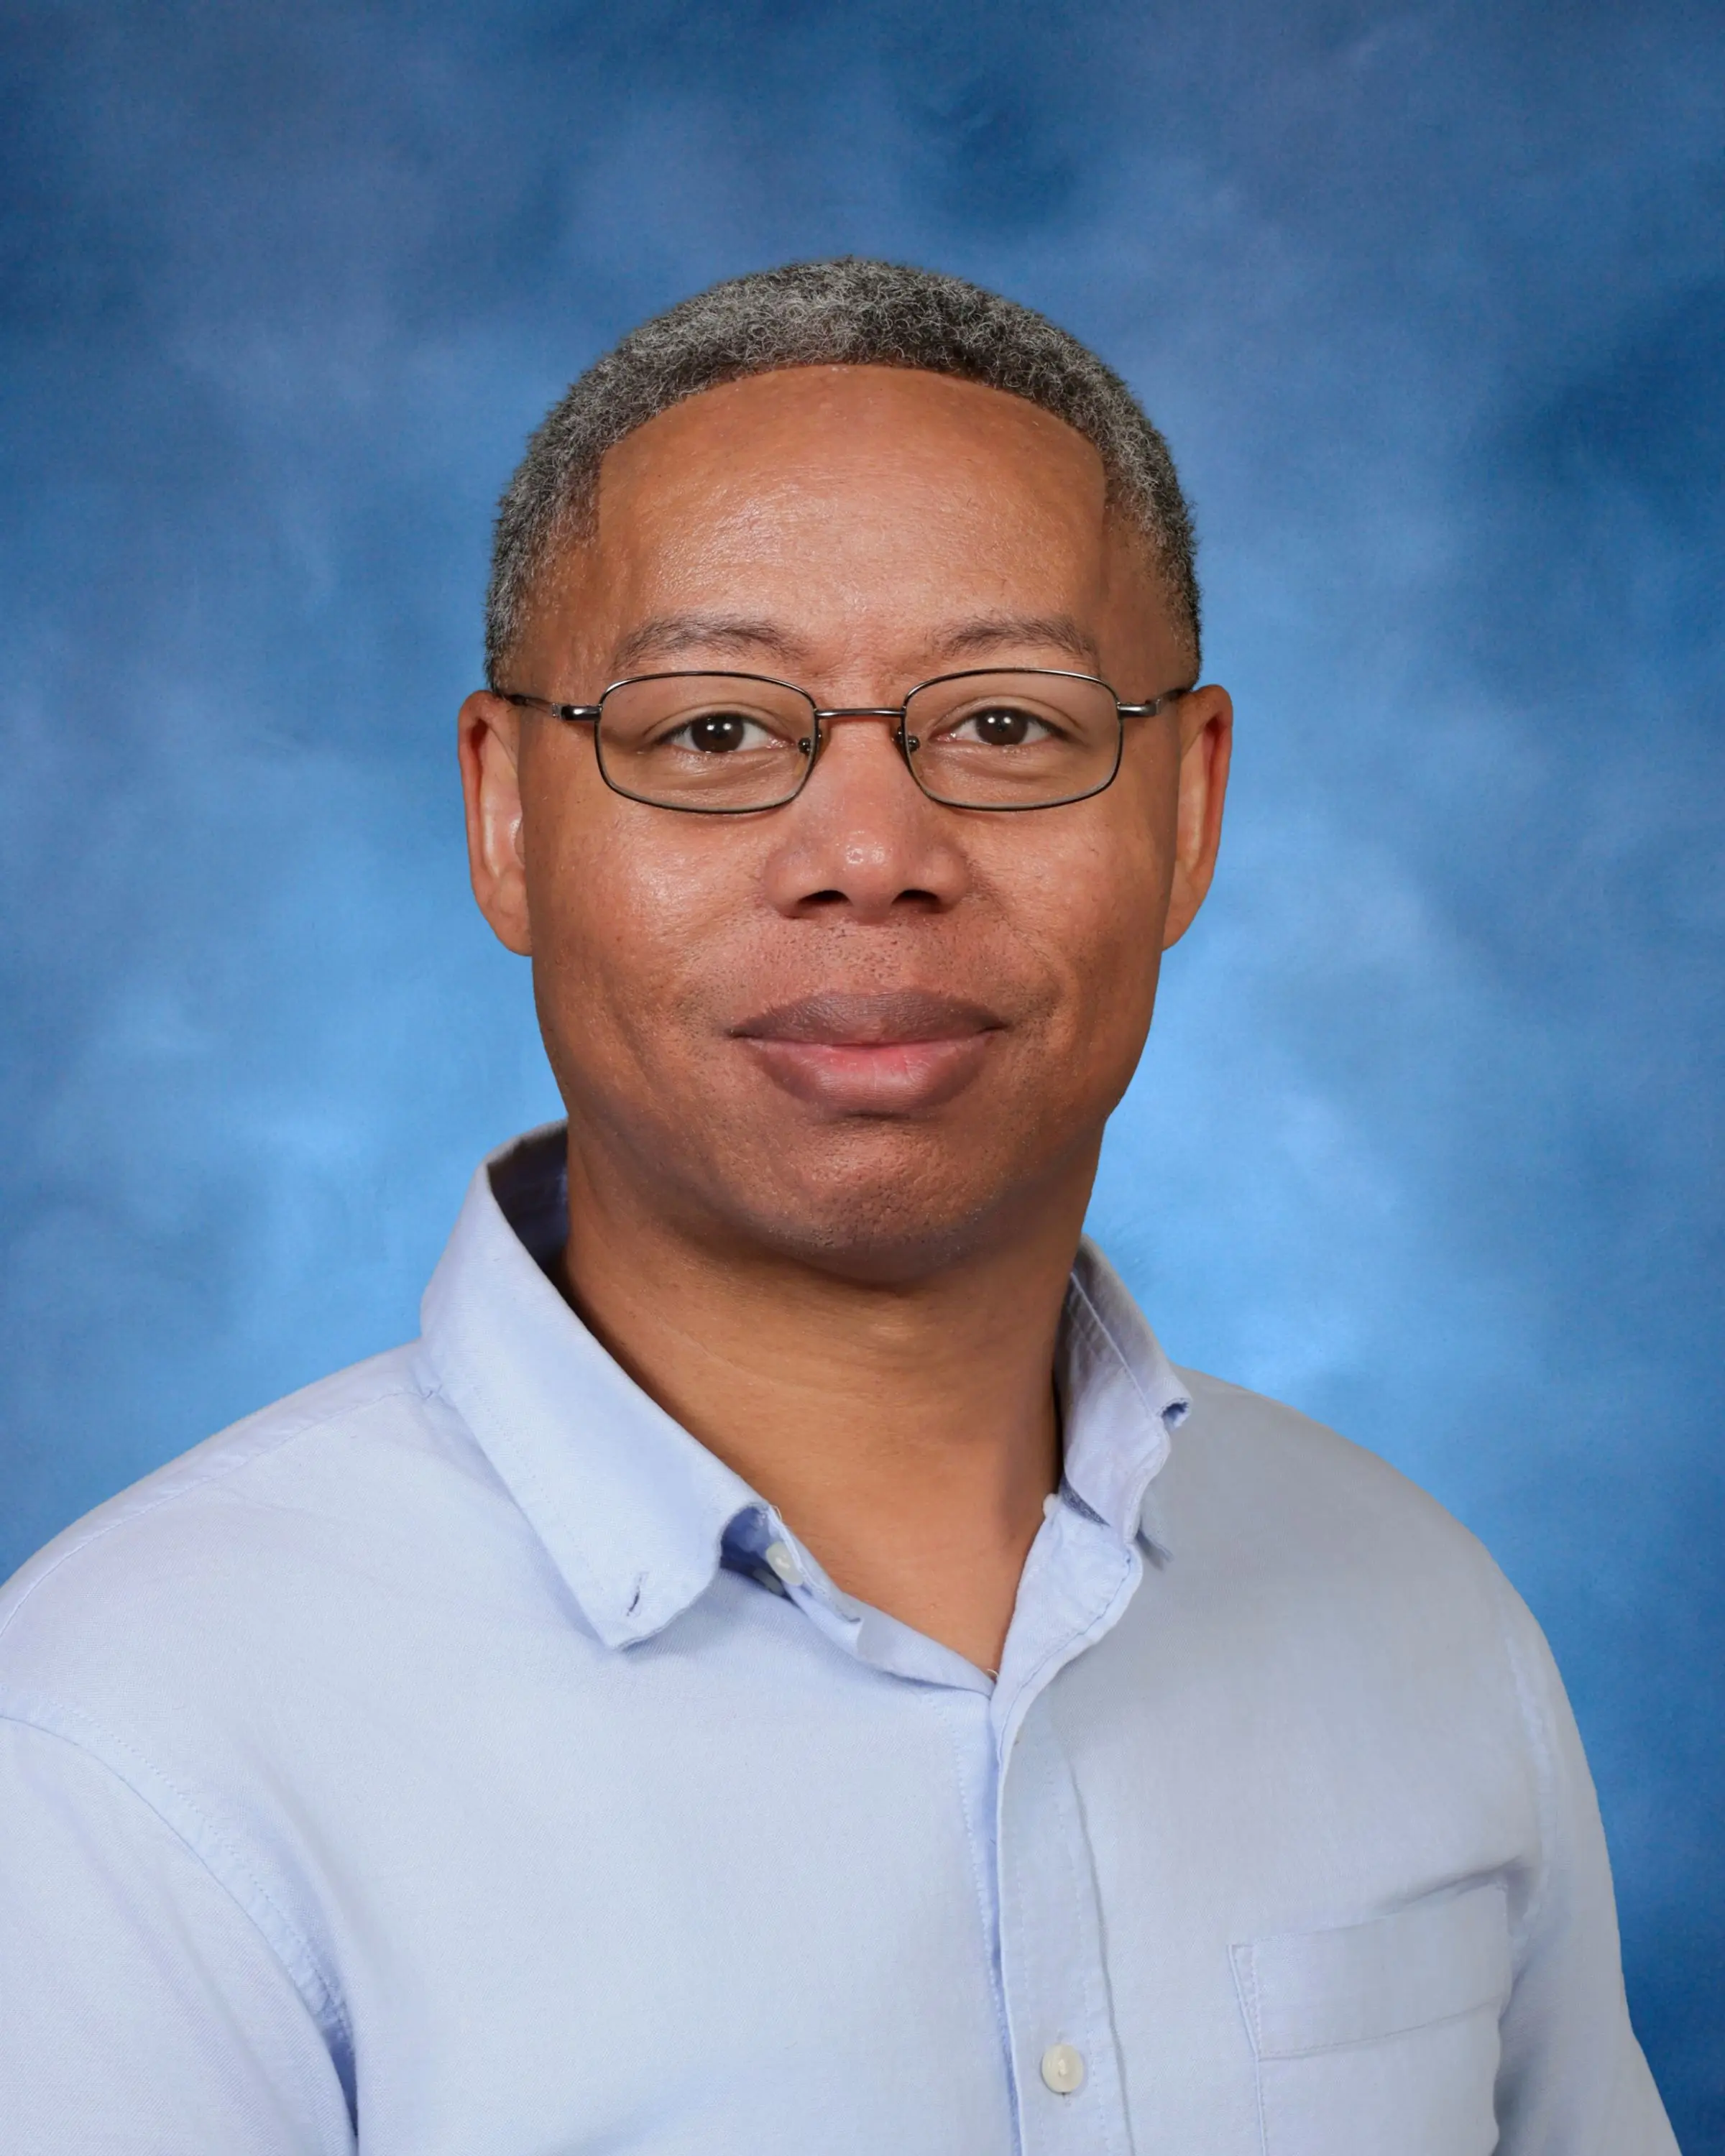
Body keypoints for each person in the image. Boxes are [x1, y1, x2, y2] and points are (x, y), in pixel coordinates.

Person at [0, 258, 1675, 2155]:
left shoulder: (1426, 1626)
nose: (873, 856)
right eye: (714, 730)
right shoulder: (134, 1745)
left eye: (1009, 725)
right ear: (506, 816)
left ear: (1190, 809)